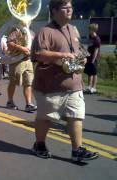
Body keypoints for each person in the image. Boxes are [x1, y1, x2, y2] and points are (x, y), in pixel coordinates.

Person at [31, 0, 98, 162]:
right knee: (46, 118)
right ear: (54, 11)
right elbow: (38, 54)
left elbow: (78, 50)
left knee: (76, 116)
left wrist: (81, 58)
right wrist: (63, 56)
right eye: (65, 7)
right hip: (50, 85)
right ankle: (39, 144)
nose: (69, 10)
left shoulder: (73, 30)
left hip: (74, 84)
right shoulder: (45, 31)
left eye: (71, 7)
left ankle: (77, 150)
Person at [5, 25, 37, 112]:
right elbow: (9, 43)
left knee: (28, 82)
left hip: (28, 60)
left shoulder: (32, 32)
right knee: (13, 82)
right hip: (17, 60)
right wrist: (21, 48)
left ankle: (28, 104)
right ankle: (10, 102)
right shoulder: (16, 30)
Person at [84, 23, 101, 94]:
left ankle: (94, 87)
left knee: (94, 73)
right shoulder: (91, 37)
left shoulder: (97, 39)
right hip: (89, 57)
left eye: (90, 29)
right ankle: (89, 86)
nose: (89, 31)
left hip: (94, 59)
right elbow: (89, 47)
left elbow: (96, 51)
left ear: (93, 30)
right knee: (89, 72)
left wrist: (93, 60)